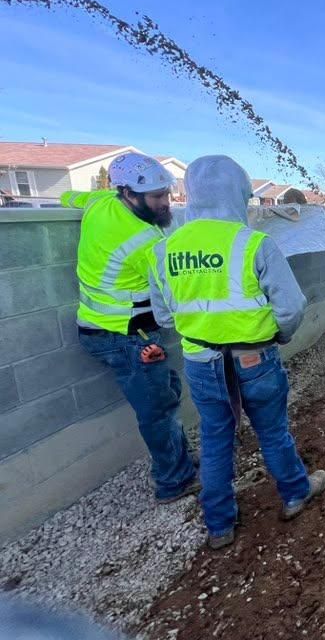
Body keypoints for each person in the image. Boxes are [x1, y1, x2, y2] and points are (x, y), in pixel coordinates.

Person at [148, 155, 325, 550]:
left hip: (200, 361)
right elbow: (291, 307)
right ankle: (296, 493)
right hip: (254, 357)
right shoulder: (254, 244)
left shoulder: (164, 250)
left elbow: (163, 314)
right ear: (239, 193)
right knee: (272, 430)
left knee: (214, 438)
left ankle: (219, 525)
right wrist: (277, 336)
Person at [62, 152, 198, 504]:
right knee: (158, 410)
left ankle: (180, 463)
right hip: (128, 337)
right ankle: (174, 482)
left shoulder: (100, 201)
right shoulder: (143, 242)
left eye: (166, 194)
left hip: (100, 329)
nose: (165, 202)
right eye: (157, 198)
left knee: (166, 389)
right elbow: (176, 291)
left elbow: (69, 197)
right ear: (129, 194)